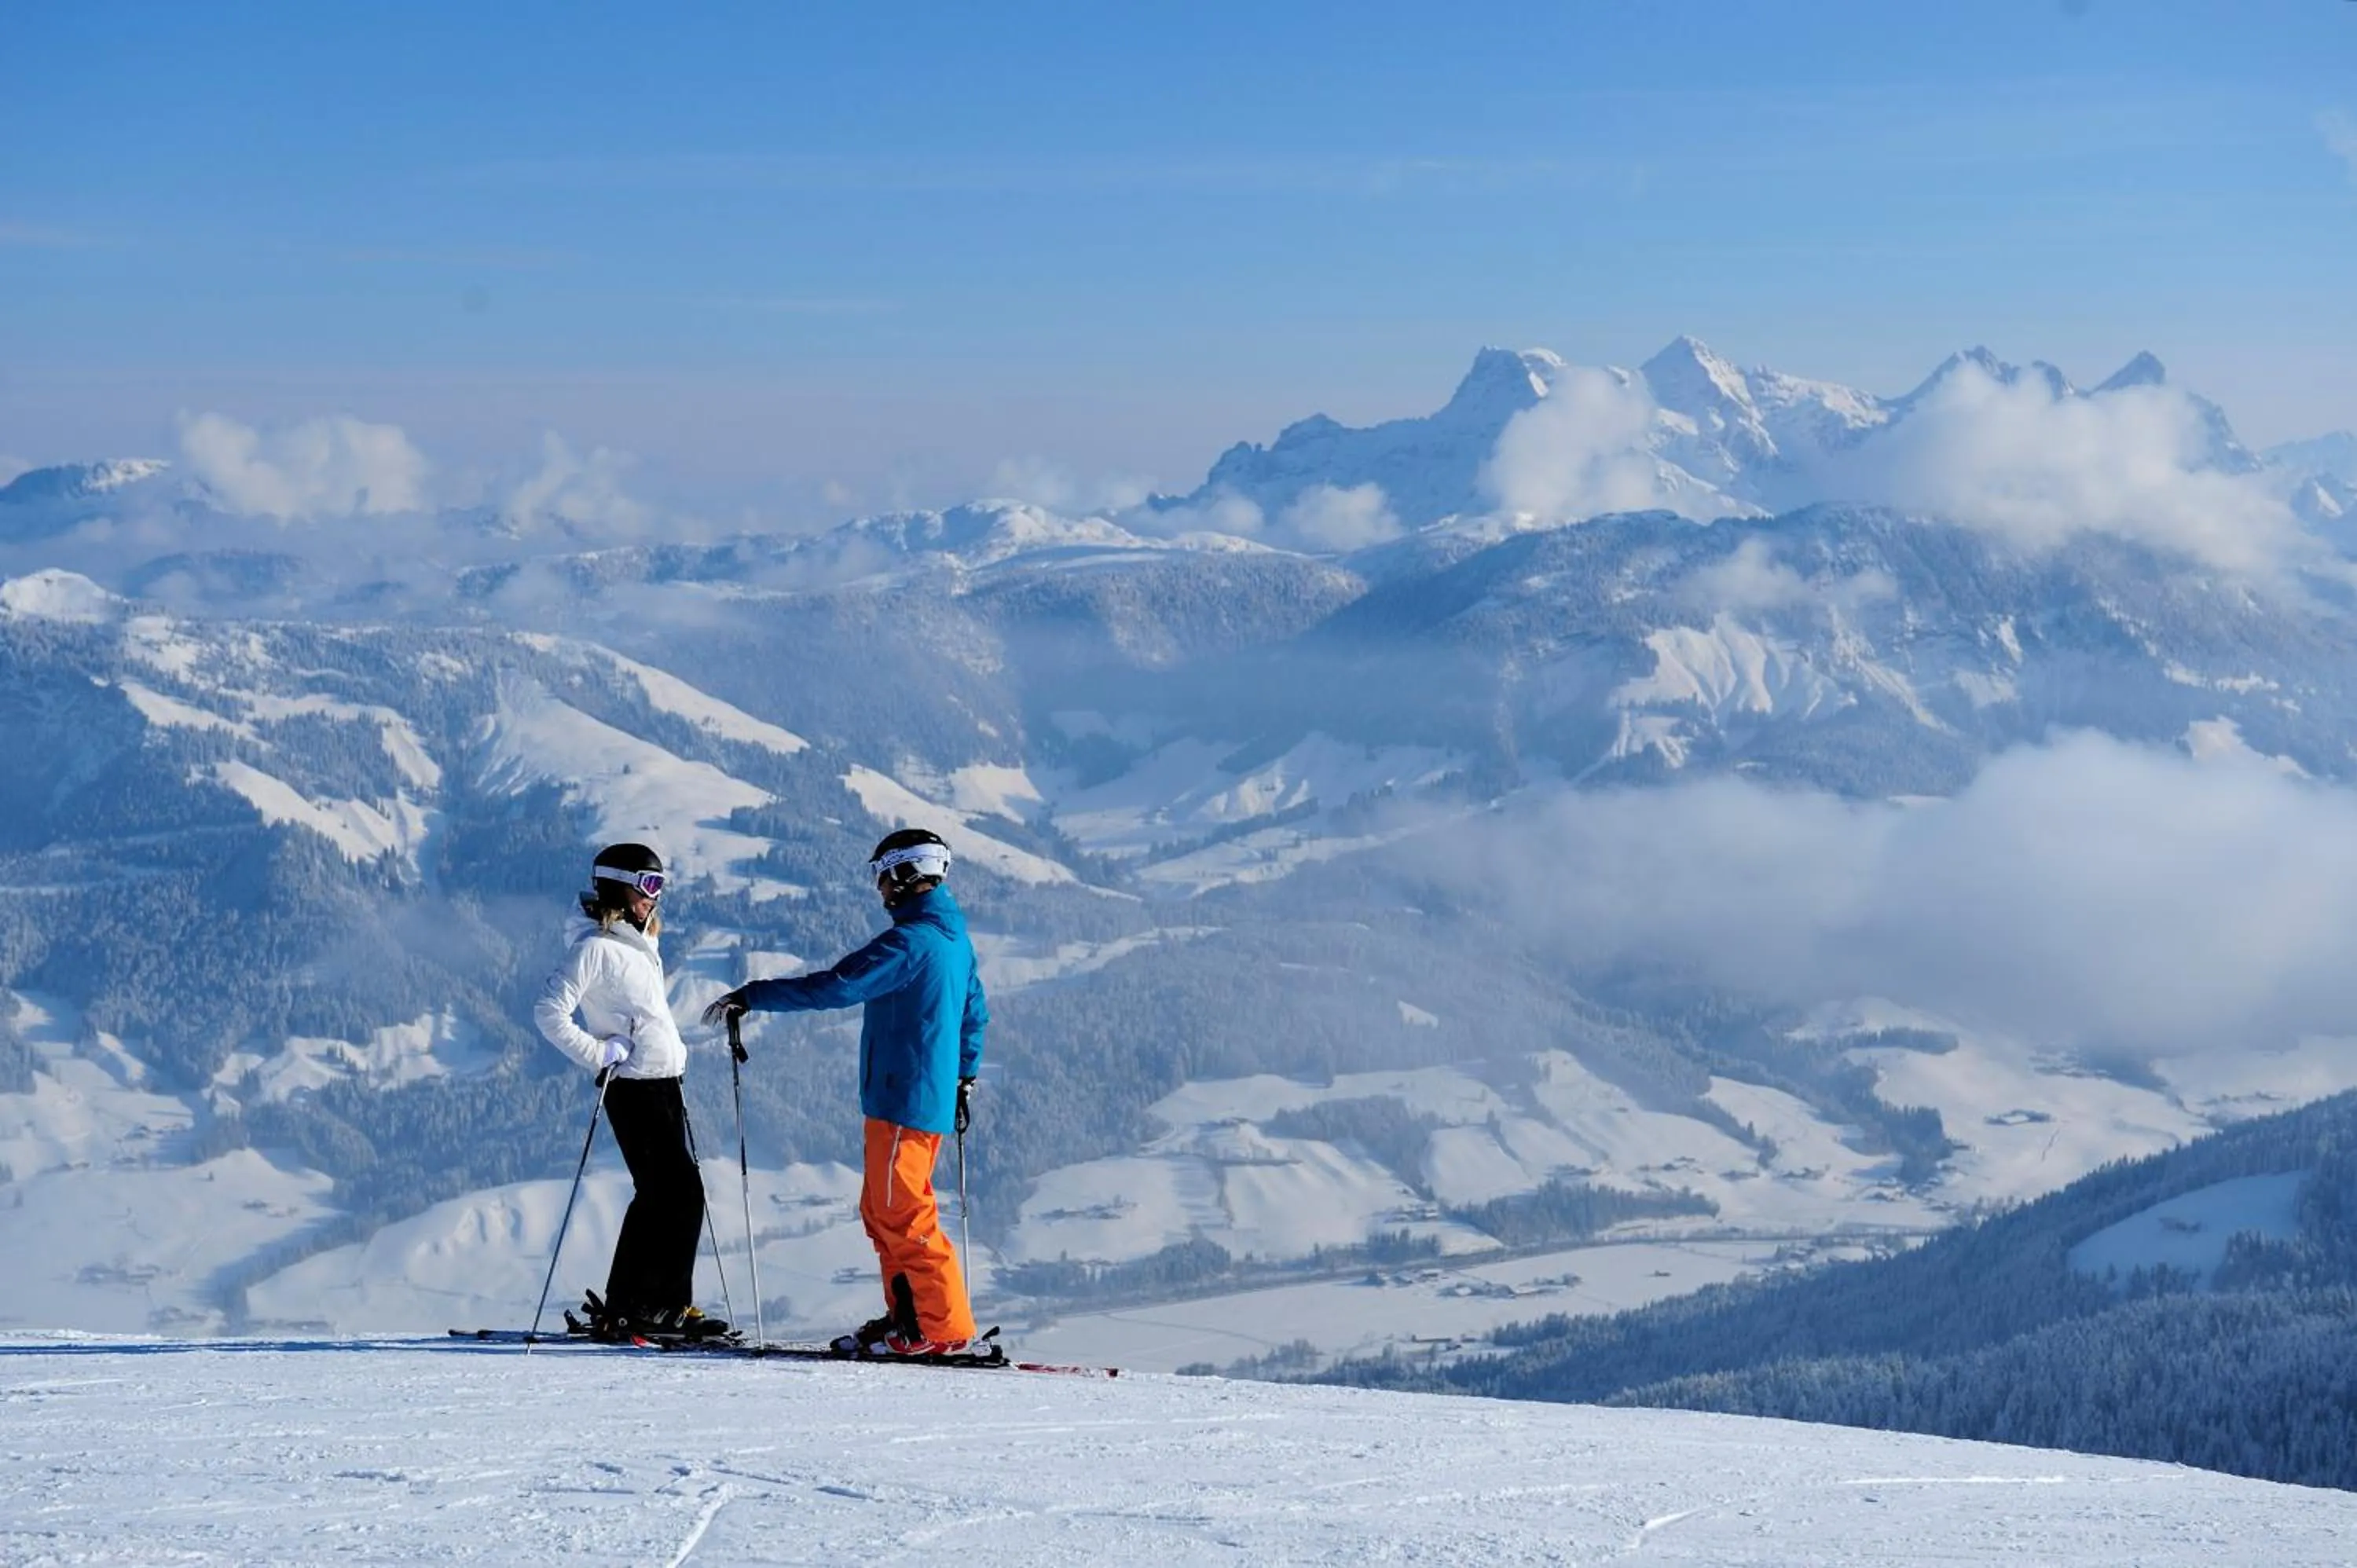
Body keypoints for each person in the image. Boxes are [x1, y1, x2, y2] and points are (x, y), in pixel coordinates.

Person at [704, 827, 987, 1357]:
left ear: (906, 874)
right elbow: (975, 1012)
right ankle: (910, 1315)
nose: (879, 889)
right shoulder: (952, 938)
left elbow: (838, 985)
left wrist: (754, 996)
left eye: (882, 876)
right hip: (910, 1099)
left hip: (905, 1100)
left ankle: (940, 1328)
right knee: (882, 1211)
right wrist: (963, 1078)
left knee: (902, 1213)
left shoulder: (912, 942)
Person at [533, 842, 723, 1341]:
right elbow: (549, 1013)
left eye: (659, 886)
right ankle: (655, 1307)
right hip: (634, 1088)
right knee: (679, 1193)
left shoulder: (639, 944)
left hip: (662, 1084)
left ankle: (639, 1304)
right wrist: (598, 1054)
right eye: (648, 885)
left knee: (663, 1195)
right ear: (620, 885)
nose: (654, 898)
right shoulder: (595, 948)